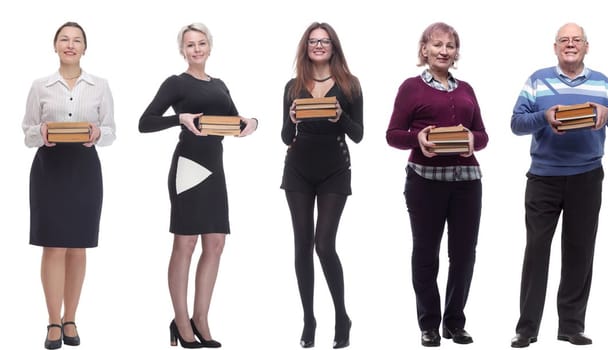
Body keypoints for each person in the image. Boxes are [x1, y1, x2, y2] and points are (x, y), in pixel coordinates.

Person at [509, 23, 608, 348]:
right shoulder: (536, 81)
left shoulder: (603, 83)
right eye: (564, 40)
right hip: (543, 177)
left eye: (576, 40)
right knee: (537, 251)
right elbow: (516, 123)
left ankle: (571, 326)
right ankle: (527, 328)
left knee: (580, 251)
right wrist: (544, 116)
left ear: (586, 47)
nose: (570, 44)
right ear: (555, 47)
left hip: (587, 177)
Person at [139, 22, 258, 349]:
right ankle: (180, 320)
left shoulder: (220, 84)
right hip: (188, 167)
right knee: (186, 244)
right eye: (190, 45)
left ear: (209, 46)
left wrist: (252, 123)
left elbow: (235, 120)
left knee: (216, 243)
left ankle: (201, 318)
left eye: (201, 43)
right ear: (182, 50)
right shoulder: (176, 83)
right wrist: (179, 118)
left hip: (214, 168)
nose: (196, 49)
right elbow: (144, 123)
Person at [385, 22, 488, 347]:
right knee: (426, 253)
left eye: (450, 46)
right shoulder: (411, 88)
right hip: (425, 182)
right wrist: (417, 137)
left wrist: (473, 138)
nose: (444, 51)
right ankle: (429, 324)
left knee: (464, 254)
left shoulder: (466, 89)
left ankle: (454, 323)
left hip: (467, 183)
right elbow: (392, 135)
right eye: (438, 45)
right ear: (424, 49)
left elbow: (483, 136)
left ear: (456, 52)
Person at [22, 21, 115, 350]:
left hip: (85, 170)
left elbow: (111, 130)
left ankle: (71, 317)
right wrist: (41, 133)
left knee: (78, 246)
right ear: (56, 46)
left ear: (85, 48)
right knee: (53, 246)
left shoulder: (100, 85)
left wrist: (98, 133)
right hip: (50, 169)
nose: (71, 44)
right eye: (64, 39)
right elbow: (27, 130)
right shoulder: (40, 86)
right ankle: (52, 321)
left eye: (77, 40)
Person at [281, 22, 362, 349]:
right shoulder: (292, 84)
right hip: (298, 169)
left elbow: (357, 134)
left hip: (334, 169)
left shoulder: (350, 84)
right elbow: (286, 137)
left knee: (324, 244)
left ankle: (342, 316)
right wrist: (292, 119)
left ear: (333, 46)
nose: (318, 46)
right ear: (306, 47)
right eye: (313, 41)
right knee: (302, 244)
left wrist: (340, 115)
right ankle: (309, 319)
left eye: (324, 41)